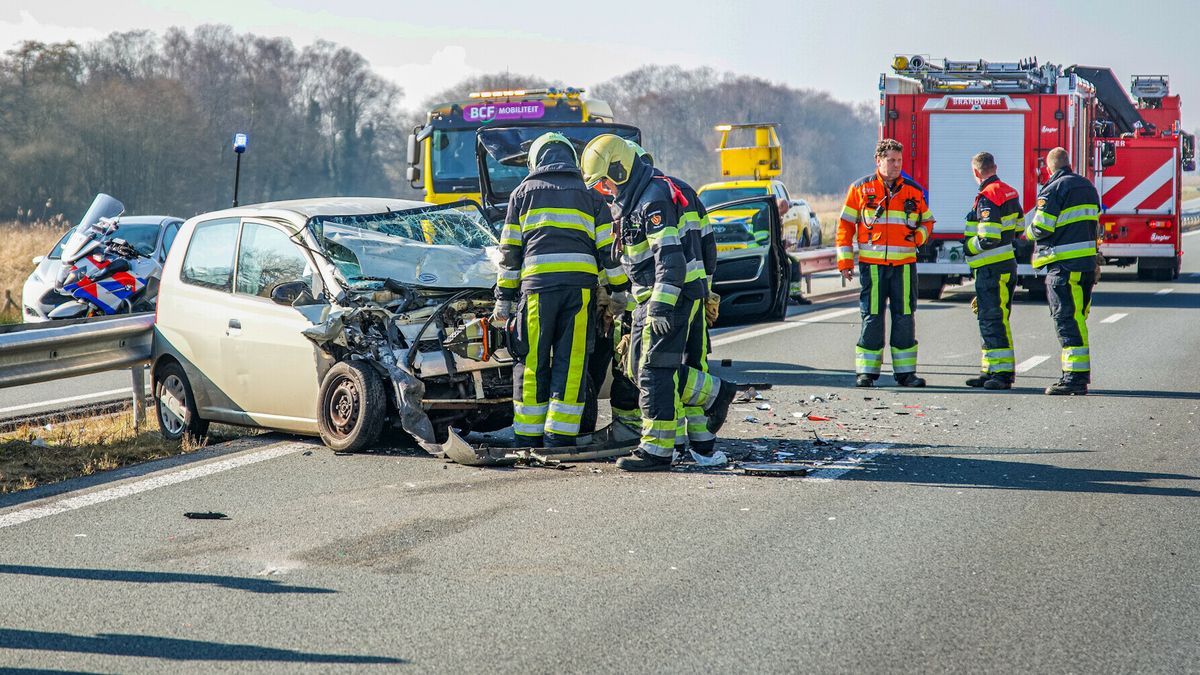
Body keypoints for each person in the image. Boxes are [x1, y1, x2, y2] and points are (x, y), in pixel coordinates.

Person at [580, 134, 737, 471]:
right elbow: (703, 250)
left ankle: (658, 450)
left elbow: (670, 259)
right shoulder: (641, 197)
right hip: (659, 296)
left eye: (605, 182)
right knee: (644, 368)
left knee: (654, 371)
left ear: (620, 169)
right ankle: (706, 412)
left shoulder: (652, 200)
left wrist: (661, 306)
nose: (604, 190)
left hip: (665, 297)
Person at [492, 132, 629, 447]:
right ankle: (560, 436)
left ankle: (527, 435)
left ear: (535, 161)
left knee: (531, 360)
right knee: (572, 361)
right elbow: (608, 251)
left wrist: (504, 300)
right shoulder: (591, 196)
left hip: (537, 290)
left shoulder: (522, 193)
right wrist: (619, 290)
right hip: (579, 292)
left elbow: (509, 252)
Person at [836, 139, 935, 388]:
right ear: (878, 160)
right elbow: (845, 227)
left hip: (904, 266)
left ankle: (906, 374)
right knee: (872, 317)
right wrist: (845, 261)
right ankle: (866, 373)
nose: (896, 165)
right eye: (891, 160)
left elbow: (928, 221)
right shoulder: (860, 188)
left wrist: (919, 237)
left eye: (899, 160)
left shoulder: (913, 190)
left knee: (904, 317)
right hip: (872, 266)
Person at [1026, 147, 1100, 395]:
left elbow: (1041, 227)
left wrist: (1026, 232)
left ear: (1049, 168)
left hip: (1064, 266)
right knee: (1077, 319)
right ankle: (1076, 376)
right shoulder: (1088, 186)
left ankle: (1074, 379)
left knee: (1067, 321)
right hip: (1086, 265)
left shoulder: (1053, 189)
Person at [963, 152, 1021, 390]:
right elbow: (1019, 228)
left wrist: (968, 247)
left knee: (994, 320)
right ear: (994, 167)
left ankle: (1002, 373)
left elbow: (988, 237)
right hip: (1004, 265)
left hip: (991, 269)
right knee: (989, 319)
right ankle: (989, 370)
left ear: (976, 172)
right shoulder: (1010, 192)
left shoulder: (988, 196)